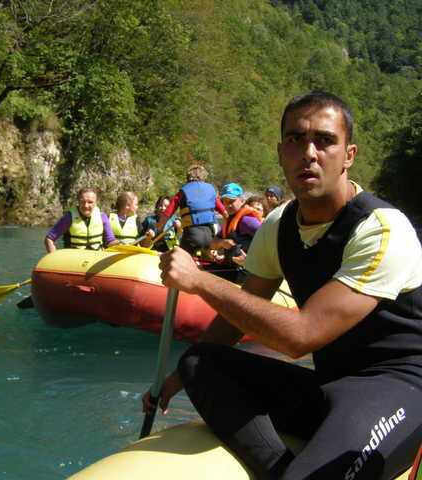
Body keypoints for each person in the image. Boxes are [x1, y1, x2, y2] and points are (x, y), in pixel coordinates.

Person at [143, 92, 422, 479]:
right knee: (199, 361)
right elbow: (242, 308)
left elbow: (301, 336)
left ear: (349, 155)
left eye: (324, 141)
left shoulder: (383, 230)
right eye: (295, 140)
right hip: (329, 386)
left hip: (399, 387)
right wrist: (177, 377)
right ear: (280, 153)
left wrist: (198, 280)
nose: (309, 153)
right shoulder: (279, 224)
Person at [156, 165, 228, 255]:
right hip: (210, 236)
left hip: (192, 236)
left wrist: (159, 226)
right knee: (206, 255)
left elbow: (167, 214)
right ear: (203, 177)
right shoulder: (210, 191)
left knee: (181, 257)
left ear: (188, 178)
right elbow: (225, 213)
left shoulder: (182, 192)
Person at [201, 183, 263, 283]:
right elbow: (213, 243)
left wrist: (249, 260)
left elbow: (269, 241)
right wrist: (222, 242)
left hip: (245, 273)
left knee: (201, 274)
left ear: (242, 200)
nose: (227, 205)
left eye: (231, 201)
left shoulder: (247, 221)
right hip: (231, 268)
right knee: (199, 269)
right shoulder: (230, 220)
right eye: (224, 201)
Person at [44, 187, 119, 252]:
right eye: (82, 202)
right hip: (75, 260)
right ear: (78, 201)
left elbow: (110, 241)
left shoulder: (102, 217)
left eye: (90, 202)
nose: (86, 205)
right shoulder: (69, 217)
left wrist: (120, 243)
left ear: (96, 203)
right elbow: (49, 239)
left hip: (96, 259)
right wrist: (54, 257)